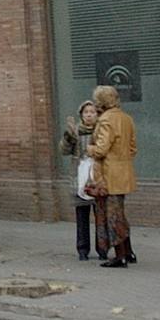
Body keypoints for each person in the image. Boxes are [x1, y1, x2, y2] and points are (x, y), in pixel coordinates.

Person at [86, 85, 136, 268]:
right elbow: (132, 148)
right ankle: (129, 252)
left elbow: (101, 149)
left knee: (112, 215)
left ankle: (120, 255)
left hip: (108, 175)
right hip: (124, 172)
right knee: (120, 213)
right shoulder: (126, 118)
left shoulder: (106, 120)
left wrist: (89, 148)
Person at [62, 100, 106, 261]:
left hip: (97, 175)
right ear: (81, 114)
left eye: (92, 112)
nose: (89, 115)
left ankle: (102, 248)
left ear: (98, 114)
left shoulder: (102, 131)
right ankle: (82, 249)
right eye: (86, 112)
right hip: (79, 176)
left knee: (100, 214)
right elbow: (64, 151)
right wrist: (69, 137)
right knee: (81, 214)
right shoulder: (76, 132)